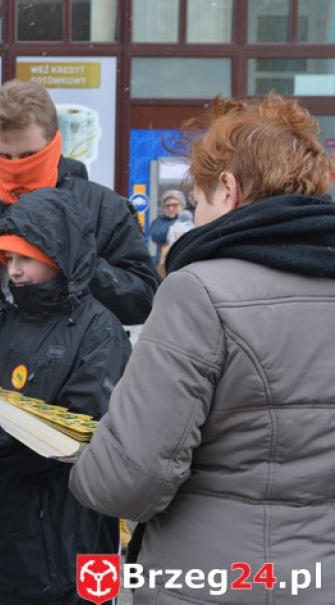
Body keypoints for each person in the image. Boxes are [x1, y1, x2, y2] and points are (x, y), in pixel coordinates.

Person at [69, 93, 335, 605]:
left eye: (198, 202)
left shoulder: (200, 291)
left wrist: (85, 462)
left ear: (229, 190)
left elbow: (128, 481)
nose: (194, 217)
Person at [0, 188, 129, 605]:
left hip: (56, 537)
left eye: (27, 258)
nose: (15, 271)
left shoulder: (99, 331)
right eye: (7, 258)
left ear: (60, 257)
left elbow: (73, 435)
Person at [0, 79, 159, 334]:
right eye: (4, 157)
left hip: (83, 355)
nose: (16, 166)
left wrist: (79, 265)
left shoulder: (104, 208)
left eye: (29, 156)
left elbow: (144, 299)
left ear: (54, 144)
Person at [148, 188, 186, 264]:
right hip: (165, 264)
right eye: (167, 206)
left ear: (182, 206)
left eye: (174, 205)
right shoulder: (158, 221)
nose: (171, 208)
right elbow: (157, 235)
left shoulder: (190, 220)